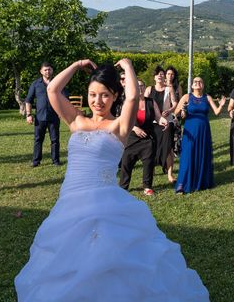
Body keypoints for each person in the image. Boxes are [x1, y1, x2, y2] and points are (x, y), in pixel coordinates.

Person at [15, 59, 209, 301]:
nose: (97, 101)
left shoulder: (118, 126)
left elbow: (132, 99)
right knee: (70, 258)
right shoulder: (76, 121)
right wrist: (77, 65)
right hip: (69, 204)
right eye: (92, 95)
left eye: (105, 95)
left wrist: (127, 67)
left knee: (105, 259)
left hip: (103, 204)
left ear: (114, 96)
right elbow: (53, 89)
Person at [174, 77, 226, 194]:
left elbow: (217, 112)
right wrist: (183, 110)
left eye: (200, 81)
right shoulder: (187, 97)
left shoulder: (207, 97)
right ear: (192, 85)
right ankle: (181, 184)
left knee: (202, 154)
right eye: (195, 82)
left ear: (203, 85)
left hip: (204, 130)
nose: (198, 83)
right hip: (190, 130)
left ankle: (201, 181)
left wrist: (221, 105)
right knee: (187, 155)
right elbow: (177, 112)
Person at [119, 79, 168, 196]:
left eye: (142, 86)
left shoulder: (151, 102)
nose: (140, 88)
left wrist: (163, 121)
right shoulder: (128, 103)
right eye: (137, 86)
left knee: (148, 163)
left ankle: (147, 187)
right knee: (126, 163)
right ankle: (123, 187)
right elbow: (122, 121)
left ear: (145, 88)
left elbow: (158, 117)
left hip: (147, 138)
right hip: (131, 138)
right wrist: (134, 128)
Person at [25, 62, 68, 167]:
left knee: (55, 140)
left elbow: (65, 99)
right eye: (45, 70)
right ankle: (36, 161)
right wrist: (28, 114)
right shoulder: (35, 84)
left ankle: (56, 161)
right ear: (41, 71)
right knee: (38, 139)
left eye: (49, 69)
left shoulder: (58, 83)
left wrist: (62, 112)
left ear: (52, 70)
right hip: (40, 117)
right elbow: (28, 100)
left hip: (54, 117)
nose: (47, 71)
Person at [145, 66, 177, 183]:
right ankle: (151, 169)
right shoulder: (149, 89)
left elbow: (175, 103)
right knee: (151, 147)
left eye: (162, 74)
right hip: (152, 123)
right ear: (154, 77)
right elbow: (144, 104)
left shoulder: (169, 89)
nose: (160, 75)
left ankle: (170, 174)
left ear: (164, 77)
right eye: (157, 74)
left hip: (167, 123)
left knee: (168, 148)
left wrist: (170, 110)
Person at [166, 65, 183, 156]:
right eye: (168, 74)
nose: (170, 76)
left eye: (172, 74)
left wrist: (178, 113)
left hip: (176, 113)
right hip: (164, 113)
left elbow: (181, 100)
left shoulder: (177, 87)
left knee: (176, 133)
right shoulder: (162, 85)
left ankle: (176, 150)